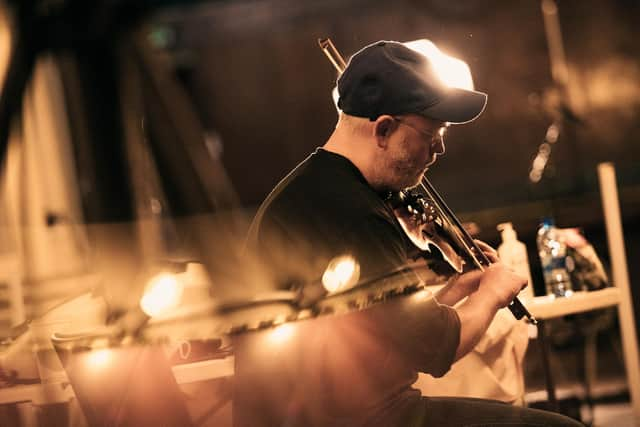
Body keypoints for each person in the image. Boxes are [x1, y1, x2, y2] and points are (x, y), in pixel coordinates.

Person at [233, 40, 583, 427]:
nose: (439, 149)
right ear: (383, 130)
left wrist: (459, 290)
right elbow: (437, 348)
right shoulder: (350, 210)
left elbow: (395, 330)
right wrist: (493, 292)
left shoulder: (326, 189)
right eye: (432, 133)